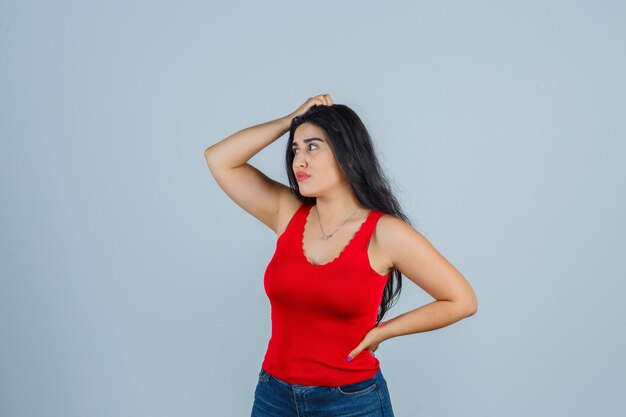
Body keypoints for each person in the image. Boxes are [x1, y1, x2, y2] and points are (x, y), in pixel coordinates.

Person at [204, 94, 478, 416]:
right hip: (274, 396)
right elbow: (219, 158)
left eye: (313, 147)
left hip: (350, 402)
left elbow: (462, 300)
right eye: (296, 149)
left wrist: (383, 331)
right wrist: (289, 120)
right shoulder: (286, 212)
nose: (298, 161)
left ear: (347, 156)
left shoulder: (383, 232)